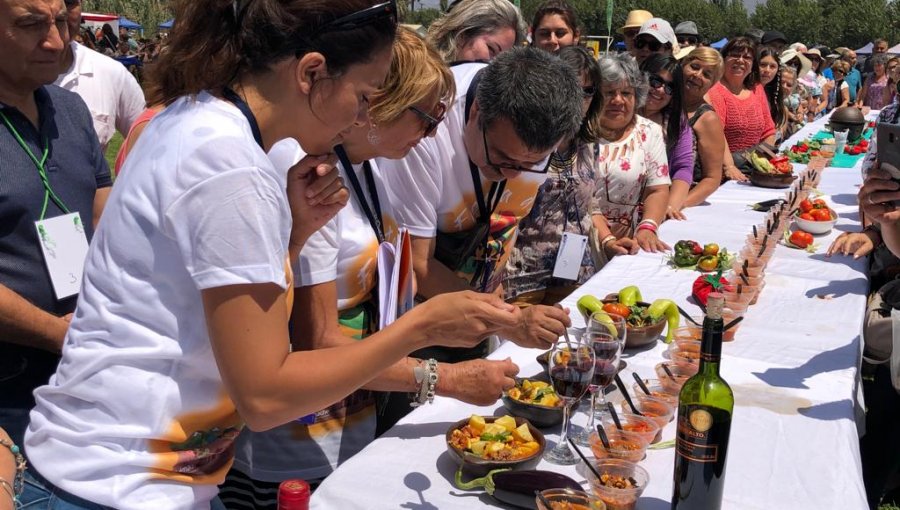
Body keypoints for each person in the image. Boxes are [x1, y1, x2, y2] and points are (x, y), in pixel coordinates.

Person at [22, 2, 521, 509]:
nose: (363, 118)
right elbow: (264, 397)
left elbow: (198, 310)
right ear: (311, 73)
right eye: (364, 96)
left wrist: (294, 237)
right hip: (116, 484)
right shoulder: (233, 167)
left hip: (127, 477)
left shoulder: (200, 121)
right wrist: (423, 328)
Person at [219, 28, 519, 509]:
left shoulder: (370, 166)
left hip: (350, 420)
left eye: (442, 116)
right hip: (296, 448)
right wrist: (447, 377)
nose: (434, 133)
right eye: (426, 116)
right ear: (377, 104)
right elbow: (317, 337)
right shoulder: (310, 173)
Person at [376, 46, 582, 431]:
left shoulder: (536, 135)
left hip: (475, 292)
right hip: (414, 306)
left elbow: (507, 223)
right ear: (474, 114)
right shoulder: (424, 134)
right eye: (500, 158)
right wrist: (508, 321)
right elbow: (418, 265)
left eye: (528, 164)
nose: (508, 173)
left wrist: (493, 313)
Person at [0, 0, 112, 449]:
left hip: (89, 367)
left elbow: (106, 215)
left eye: (60, 23)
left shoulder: (69, 109)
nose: (56, 41)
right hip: (11, 389)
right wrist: (57, 334)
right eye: (30, 25)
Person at [504, 46, 601, 306]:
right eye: (570, 87)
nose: (579, 98)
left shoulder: (590, 144)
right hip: (522, 276)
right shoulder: (525, 140)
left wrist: (610, 239)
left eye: (587, 91)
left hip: (575, 272)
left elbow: (591, 206)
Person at [591, 53, 670, 265]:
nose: (618, 100)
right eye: (609, 93)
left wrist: (648, 226)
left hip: (629, 244)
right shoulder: (580, 132)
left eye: (626, 93)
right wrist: (605, 239)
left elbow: (658, 189)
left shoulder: (650, 132)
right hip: (582, 240)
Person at [55, 0, 145, 153]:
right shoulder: (8, 74)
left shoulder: (110, 73)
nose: (59, 10)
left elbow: (146, 146)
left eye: (69, 2)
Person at [707, 37, 775, 179]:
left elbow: (769, 131)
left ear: (752, 65)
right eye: (735, 55)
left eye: (747, 57)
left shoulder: (757, 88)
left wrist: (761, 162)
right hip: (723, 169)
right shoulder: (715, 90)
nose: (740, 60)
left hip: (753, 166)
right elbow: (717, 135)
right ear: (723, 59)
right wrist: (729, 167)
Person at [668, 47, 725, 218]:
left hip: (677, 202)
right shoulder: (660, 100)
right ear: (683, 65)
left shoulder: (707, 119)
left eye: (707, 74)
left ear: (712, 84)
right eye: (694, 66)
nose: (698, 75)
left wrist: (679, 204)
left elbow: (712, 178)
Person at [639, 55, 694, 219]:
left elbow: (683, 168)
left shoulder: (677, 123)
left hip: (654, 208)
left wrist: (669, 206)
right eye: (656, 81)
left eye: (670, 88)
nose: (661, 90)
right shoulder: (617, 111)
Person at [426, 0, 526, 63]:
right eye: (491, 49)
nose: (496, 64)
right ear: (462, 34)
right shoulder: (419, 80)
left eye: (504, 58)